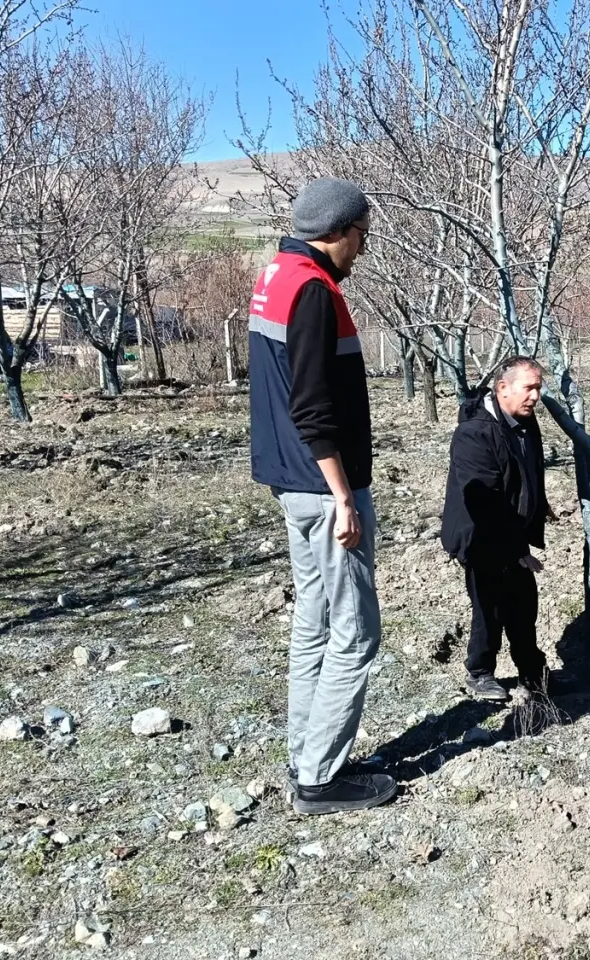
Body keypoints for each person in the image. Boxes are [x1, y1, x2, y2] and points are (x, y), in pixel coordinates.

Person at [248, 177, 396, 816]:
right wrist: (343, 495)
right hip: (322, 485)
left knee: (313, 621)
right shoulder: (313, 289)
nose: (362, 249)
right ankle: (319, 777)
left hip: (291, 481)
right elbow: (311, 404)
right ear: (338, 231)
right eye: (361, 235)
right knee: (358, 631)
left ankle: (306, 753)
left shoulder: (275, 274)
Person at [441, 357, 551, 702]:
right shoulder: (474, 433)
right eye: (529, 388)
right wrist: (518, 550)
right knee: (490, 607)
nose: (535, 396)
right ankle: (480, 673)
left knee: (521, 603)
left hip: (508, 530)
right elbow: (484, 500)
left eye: (538, 388)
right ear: (502, 388)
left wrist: (539, 502)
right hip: (480, 534)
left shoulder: (522, 419)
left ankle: (533, 675)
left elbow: (526, 467)